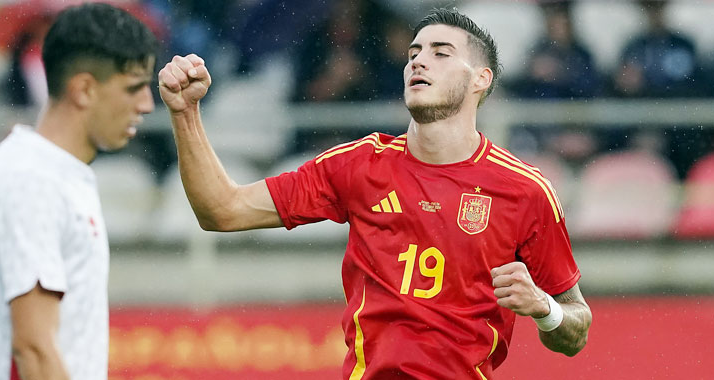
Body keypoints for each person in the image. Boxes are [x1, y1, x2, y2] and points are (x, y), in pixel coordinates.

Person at [159, 8, 591, 379]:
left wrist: (543, 308)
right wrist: (185, 113)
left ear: (481, 78)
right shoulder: (360, 164)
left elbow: (576, 331)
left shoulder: (525, 191)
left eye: (441, 53)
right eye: (414, 53)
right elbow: (222, 210)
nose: (419, 62)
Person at [0, 3, 157, 380]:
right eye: (133, 88)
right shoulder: (34, 181)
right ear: (83, 89)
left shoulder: (48, 172)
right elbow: (33, 349)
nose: (147, 105)